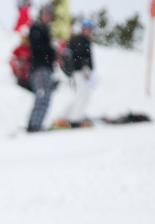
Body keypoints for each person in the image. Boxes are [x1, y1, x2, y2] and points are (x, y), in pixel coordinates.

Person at [53, 19, 95, 128]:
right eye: (86, 28)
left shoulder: (84, 40)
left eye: (89, 29)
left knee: (81, 95)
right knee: (82, 95)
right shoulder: (81, 40)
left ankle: (69, 117)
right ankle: (74, 118)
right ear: (83, 29)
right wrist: (85, 68)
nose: (88, 31)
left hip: (79, 72)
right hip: (79, 72)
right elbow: (81, 57)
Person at [27, 5, 56, 133]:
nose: (47, 16)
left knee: (47, 96)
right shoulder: (36, 28)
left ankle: (37, 123)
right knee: (42, 95)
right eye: (45, 13)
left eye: (48, 14)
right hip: (39, 67)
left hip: (47, 68)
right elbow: (37, 48)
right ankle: (34, 124)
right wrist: (51, 50)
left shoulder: (46, 29)